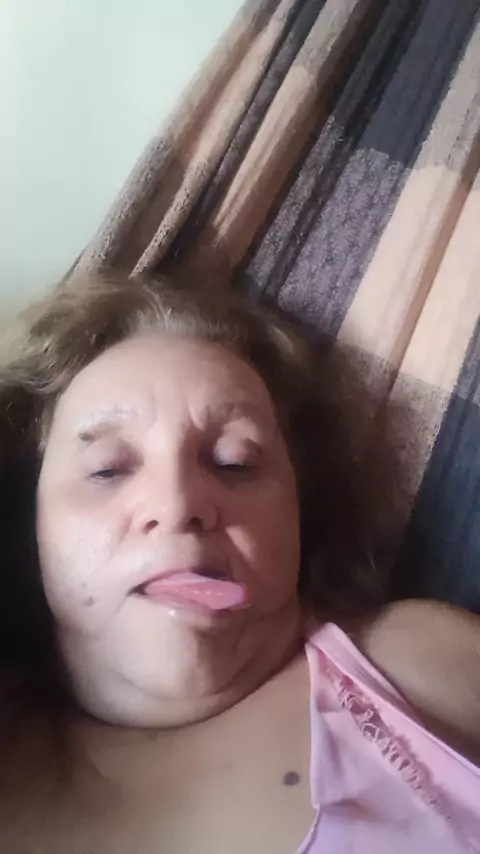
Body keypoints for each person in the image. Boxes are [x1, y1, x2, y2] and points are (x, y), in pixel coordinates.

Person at [0, 271, 479, 854]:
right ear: (28, 520)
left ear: (301, 509)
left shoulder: (413, 669)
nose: (177, 505)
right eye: (107, 469)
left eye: (234, 462)